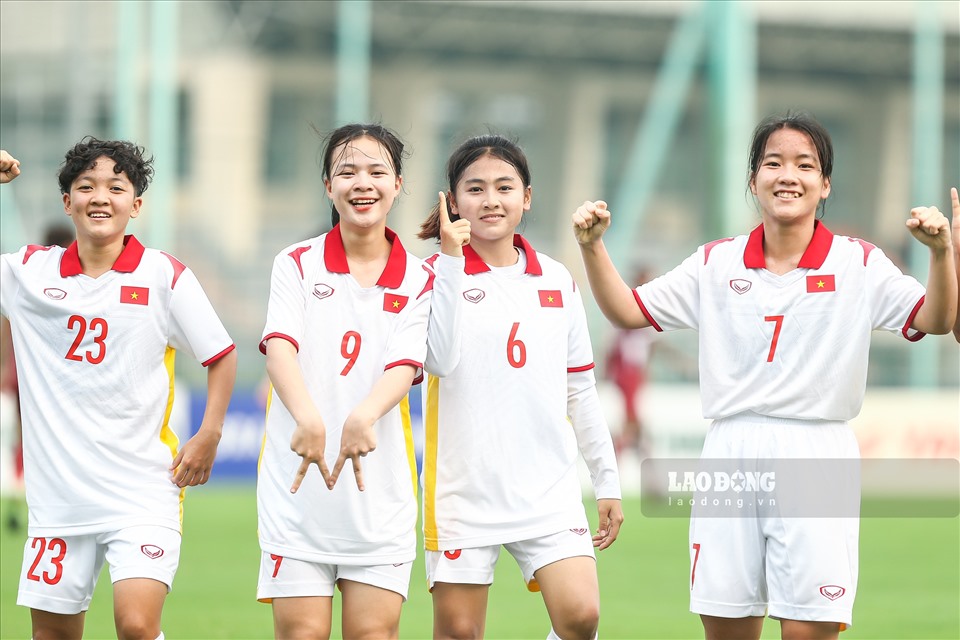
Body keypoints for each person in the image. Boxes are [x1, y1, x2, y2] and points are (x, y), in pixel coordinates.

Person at [572, 112, 956, 640]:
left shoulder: (858, 263)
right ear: (753, 180)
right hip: (731, 450)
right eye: (773, 163)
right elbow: (627, 311)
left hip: (817, 453)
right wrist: (592, 247)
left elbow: (935, 319)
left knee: (807, 631)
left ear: (825, 185)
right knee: (728, 628)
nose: (787, 175)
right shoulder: (715, 263)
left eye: (805, 164)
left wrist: (941, 255)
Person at [0, 140, 237, 640]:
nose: (99, 197)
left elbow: (221, 354)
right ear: (67, 203)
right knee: (52, 636)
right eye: (85, 187)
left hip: (142, 493)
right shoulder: (25, 274)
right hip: (58, 504)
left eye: (115, 187)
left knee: (135, 624)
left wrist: (210, 433)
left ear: (136, 204)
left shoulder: (163, 275)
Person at [418, 134, 623, 640]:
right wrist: (448, 261)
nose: (491, 200)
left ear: (526, 197)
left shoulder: (557, 280)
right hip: (461, 492)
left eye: (505, 187)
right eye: (475, 188)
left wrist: (608, 481)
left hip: (547, 489)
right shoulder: (429, 277)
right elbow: (437, 361)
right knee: (459, 633)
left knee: (581, 617)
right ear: (452, 201)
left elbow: (580, 390)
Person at [256, 123, 432, 639]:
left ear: (397, 184)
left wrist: (363, 416)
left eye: (378, 171)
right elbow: (280, 347)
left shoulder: (421, 278)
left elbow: (404, 363)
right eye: (347, 171)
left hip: (380, 497)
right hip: (298, 495)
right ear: (327, 187)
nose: (363, 183)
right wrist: (308, 417)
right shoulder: (295, 263)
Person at [1, 223, 75, 532]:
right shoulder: (75, 281)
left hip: (22, 372)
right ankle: (47, 502)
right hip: (55, 376)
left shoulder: (27, 277)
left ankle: (20, 500)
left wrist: (6, 368)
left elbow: (8, 324)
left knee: (24, 437)